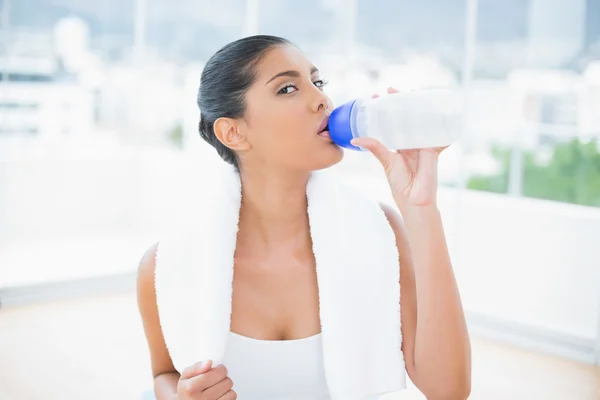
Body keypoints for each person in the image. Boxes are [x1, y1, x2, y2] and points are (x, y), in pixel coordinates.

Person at [137, 35, 471, 400]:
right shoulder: (167, 264)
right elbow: (164, 374)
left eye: (317, 82)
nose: (322, 99)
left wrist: (421, 210)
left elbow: (448, 391)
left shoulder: (380, 234)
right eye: (287, 89)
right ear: (233, 132)